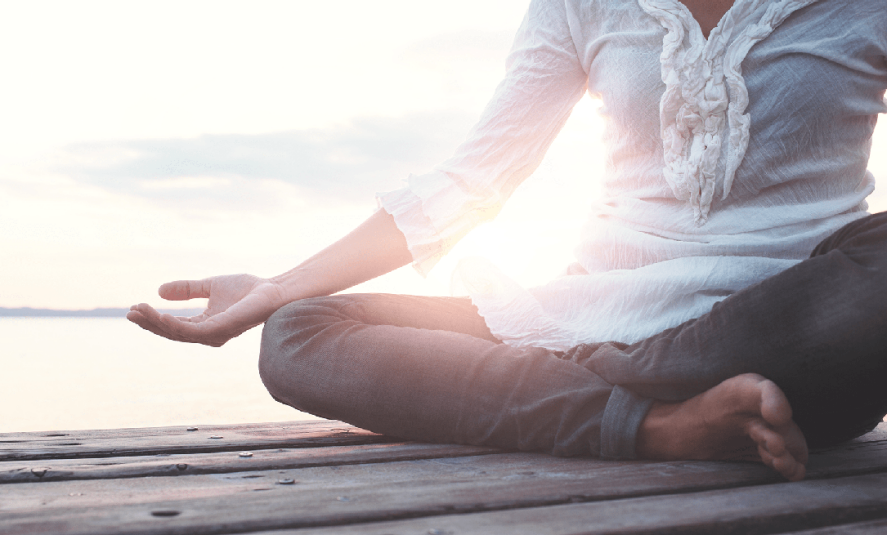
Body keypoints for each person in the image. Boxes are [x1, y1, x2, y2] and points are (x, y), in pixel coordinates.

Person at [127, 0, 887, 483]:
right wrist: (277, 289)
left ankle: (617, 387)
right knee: (299, 333)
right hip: (600, 315)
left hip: (791, 328)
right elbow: (473, 178)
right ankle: (659, 424)